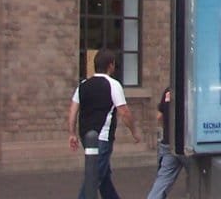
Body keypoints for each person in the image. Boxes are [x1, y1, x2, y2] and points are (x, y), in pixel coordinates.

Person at [66, 48, 140, 199]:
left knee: (103, 176)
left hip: (86, 137)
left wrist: (72, 134)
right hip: (102, 137)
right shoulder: (113, 85)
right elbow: (124, 112)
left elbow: (73, 111)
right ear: (111, 65)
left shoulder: (83, 85)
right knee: (94, 179)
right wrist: (134, 132)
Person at [145, 87, 184, 199]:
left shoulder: (169, 90)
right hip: (188, 146)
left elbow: (159, 116)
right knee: (200, 180)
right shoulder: (194, 89)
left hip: (169, 144)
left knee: (162, 182)